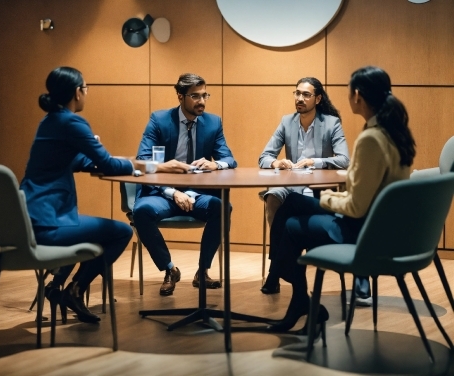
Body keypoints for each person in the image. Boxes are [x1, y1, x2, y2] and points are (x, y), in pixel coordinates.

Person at [265, 66, 416, 334]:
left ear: (357, 95)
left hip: (361, 231)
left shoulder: (371, 139)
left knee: (290, 226)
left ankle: (296, 294)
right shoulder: (394, 131)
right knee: (290, 204)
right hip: (379, 224)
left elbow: (355, 207)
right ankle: (291, 288)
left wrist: (327, 199)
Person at [20, 66, 147, 323]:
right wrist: (138, 165)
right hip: (48, 223)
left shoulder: (50, 121)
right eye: (86, 89)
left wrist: (94, 154)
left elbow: (72, 161)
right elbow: (110, 165)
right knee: (121, 232)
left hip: (30, 217)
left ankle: (57, 288)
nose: (86, 94)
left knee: (96, 231)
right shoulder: (71, 121)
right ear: (78, 92)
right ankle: (75, 290)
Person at [132, 73, 237, 296]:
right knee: (141, 211)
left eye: (205, 95)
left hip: (197, 193)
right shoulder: (159, 120)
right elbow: (143, 161)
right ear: (180, 96)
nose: (202, 101)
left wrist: (215, 165)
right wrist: (171, 192)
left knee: (222, 208)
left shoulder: (212, 122)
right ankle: (170, 270)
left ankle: (202, 271)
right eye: (195, 96)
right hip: (163, 193)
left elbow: (229, 159)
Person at [258, 77, 350, 296]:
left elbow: (344, 159)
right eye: (297, 93)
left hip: (318, 187)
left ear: (317, 99)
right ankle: (280, 269)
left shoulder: (331, 123)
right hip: (291, 185)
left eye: (305, 94)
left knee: (289, 209)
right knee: (273, 197)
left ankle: (275, 271)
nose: (299, 98)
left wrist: (315, 162)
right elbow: (264, 156)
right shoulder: (286, 122)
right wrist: (276, 162)